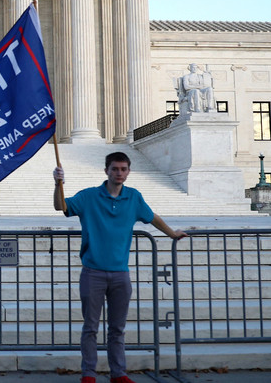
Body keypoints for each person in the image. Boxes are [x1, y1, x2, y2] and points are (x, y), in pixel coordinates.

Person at [53, 152, 187, 383]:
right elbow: (61, 206)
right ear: (106, 170)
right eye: (115, 169)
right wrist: (58, 184)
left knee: (117, 329)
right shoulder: (89, 196)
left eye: (123, 169)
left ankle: (119, 373)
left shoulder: (133, 197)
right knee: (91, 328)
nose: (119, 173)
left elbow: (152, 217)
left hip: (120, 274)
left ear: (128, 171)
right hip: (93, 272)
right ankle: (89, 374)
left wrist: (172, 233)